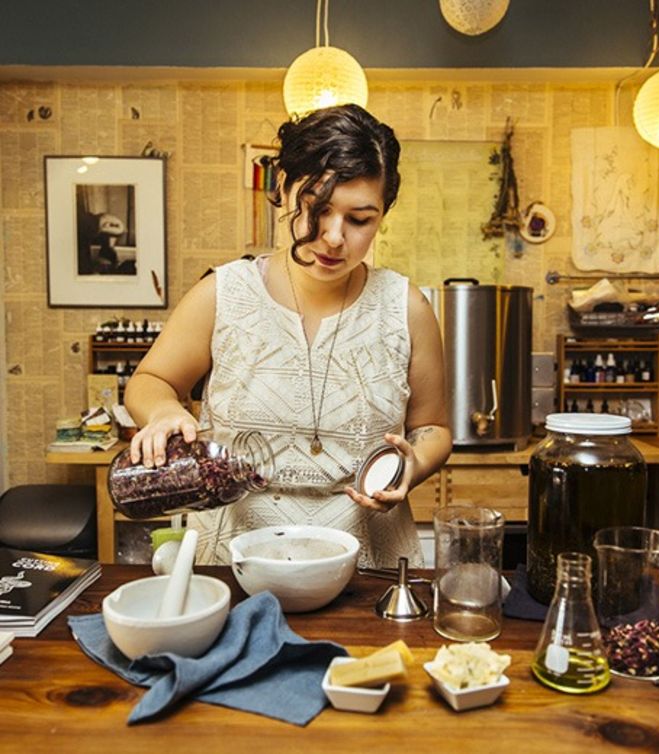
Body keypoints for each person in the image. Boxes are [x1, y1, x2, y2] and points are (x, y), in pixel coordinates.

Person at [125, 104, 452, 568]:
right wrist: (161, 411)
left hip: (368, 573)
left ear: (383, 213)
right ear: (281, 188)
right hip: (234, 566)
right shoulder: (223, 293)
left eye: (360, 220)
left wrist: (413, 466)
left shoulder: (405, 307)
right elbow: (151, 379)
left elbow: (433, 428)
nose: (334, 237)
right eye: (316, 208)